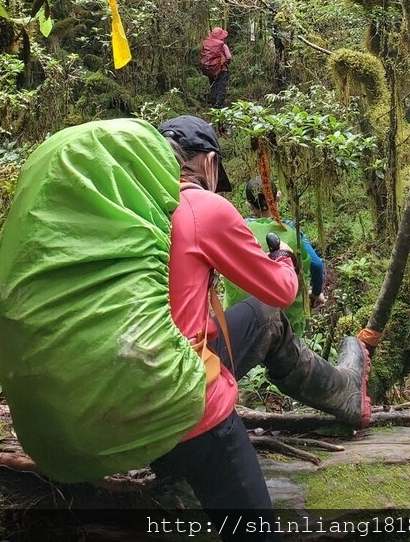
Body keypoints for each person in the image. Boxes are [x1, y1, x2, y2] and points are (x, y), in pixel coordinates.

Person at [152, 115, 371, 532]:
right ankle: (344, 391)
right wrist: (285, 258)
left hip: (125, 392)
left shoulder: (135, 208)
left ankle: (343, 389)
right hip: (182, 400)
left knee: (258, 321)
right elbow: (282, 292)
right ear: (210, 163)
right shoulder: (201, 207)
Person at [245, 177, 326, 308]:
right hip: (287, 311)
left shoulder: (241, 229)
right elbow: (316, 264)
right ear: (278, 197)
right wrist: (316, 292)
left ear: (249, 205)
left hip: (249, 308)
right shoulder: (291, 230)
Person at [200, 26, 232, 108]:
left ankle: (213, 103)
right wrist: (226, 62)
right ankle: (219, 105)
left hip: (210, 69)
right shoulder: (223, 45)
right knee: (221, 87)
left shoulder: (206, 44)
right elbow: (228, 57)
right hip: (221, 69)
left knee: (213, 86)